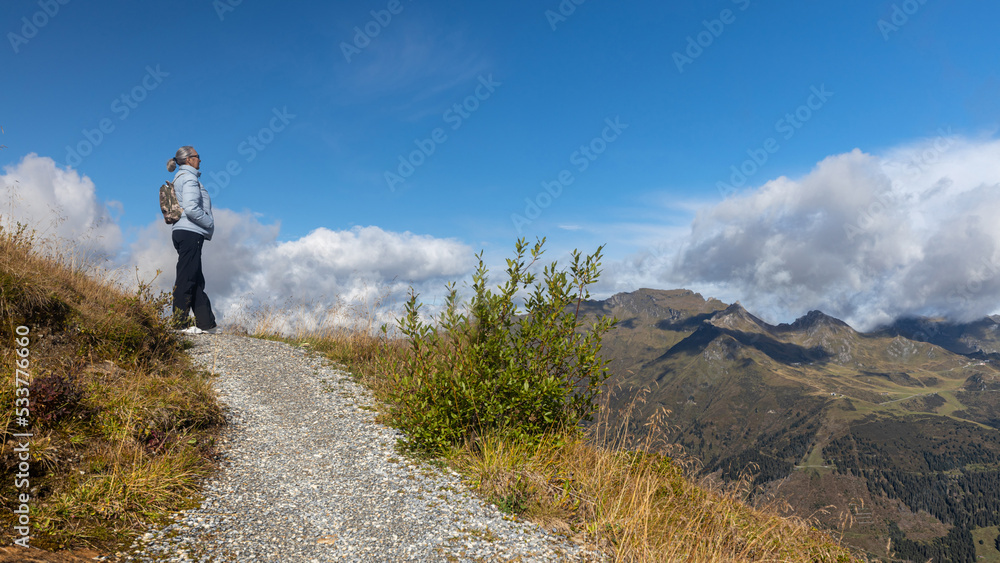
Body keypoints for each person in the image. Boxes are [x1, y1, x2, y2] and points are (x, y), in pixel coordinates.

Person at [167, 146, 217, 334]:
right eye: (197, 157)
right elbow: (191, 208)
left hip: (184, 231)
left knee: (194, 277)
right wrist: (209, 222)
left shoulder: (180, 177)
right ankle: (179, 325)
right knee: (187, 278)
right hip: (190, 231)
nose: (200, 160)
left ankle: (207, 325)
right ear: (189, 159)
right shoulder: (189, 178)